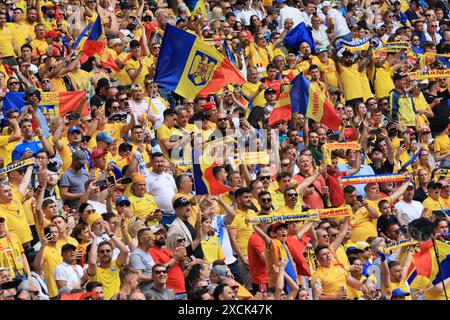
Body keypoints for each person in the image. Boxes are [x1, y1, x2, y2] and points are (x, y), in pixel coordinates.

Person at [128, 227, 156, 295]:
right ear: (142, 239)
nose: (153, 239)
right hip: (146, 293)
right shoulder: (136, 255)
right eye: (150, 237)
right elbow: (139, 277)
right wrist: (156, 277)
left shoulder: (147, 253)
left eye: (153, 236)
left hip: (153, 292)